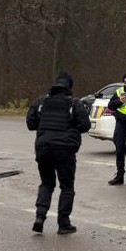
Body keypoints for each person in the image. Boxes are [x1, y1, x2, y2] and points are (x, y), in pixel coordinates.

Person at [26, 72, 91, 234]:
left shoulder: (41, 102)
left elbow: (31, 123)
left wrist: (46, 128)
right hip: (65, 149)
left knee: (46, 183)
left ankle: (39, 217)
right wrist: (70, 130)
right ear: (69, 87)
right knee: (67, 186)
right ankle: (63, 223)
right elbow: (85, 125)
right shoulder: (74, 103)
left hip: (43, 147)